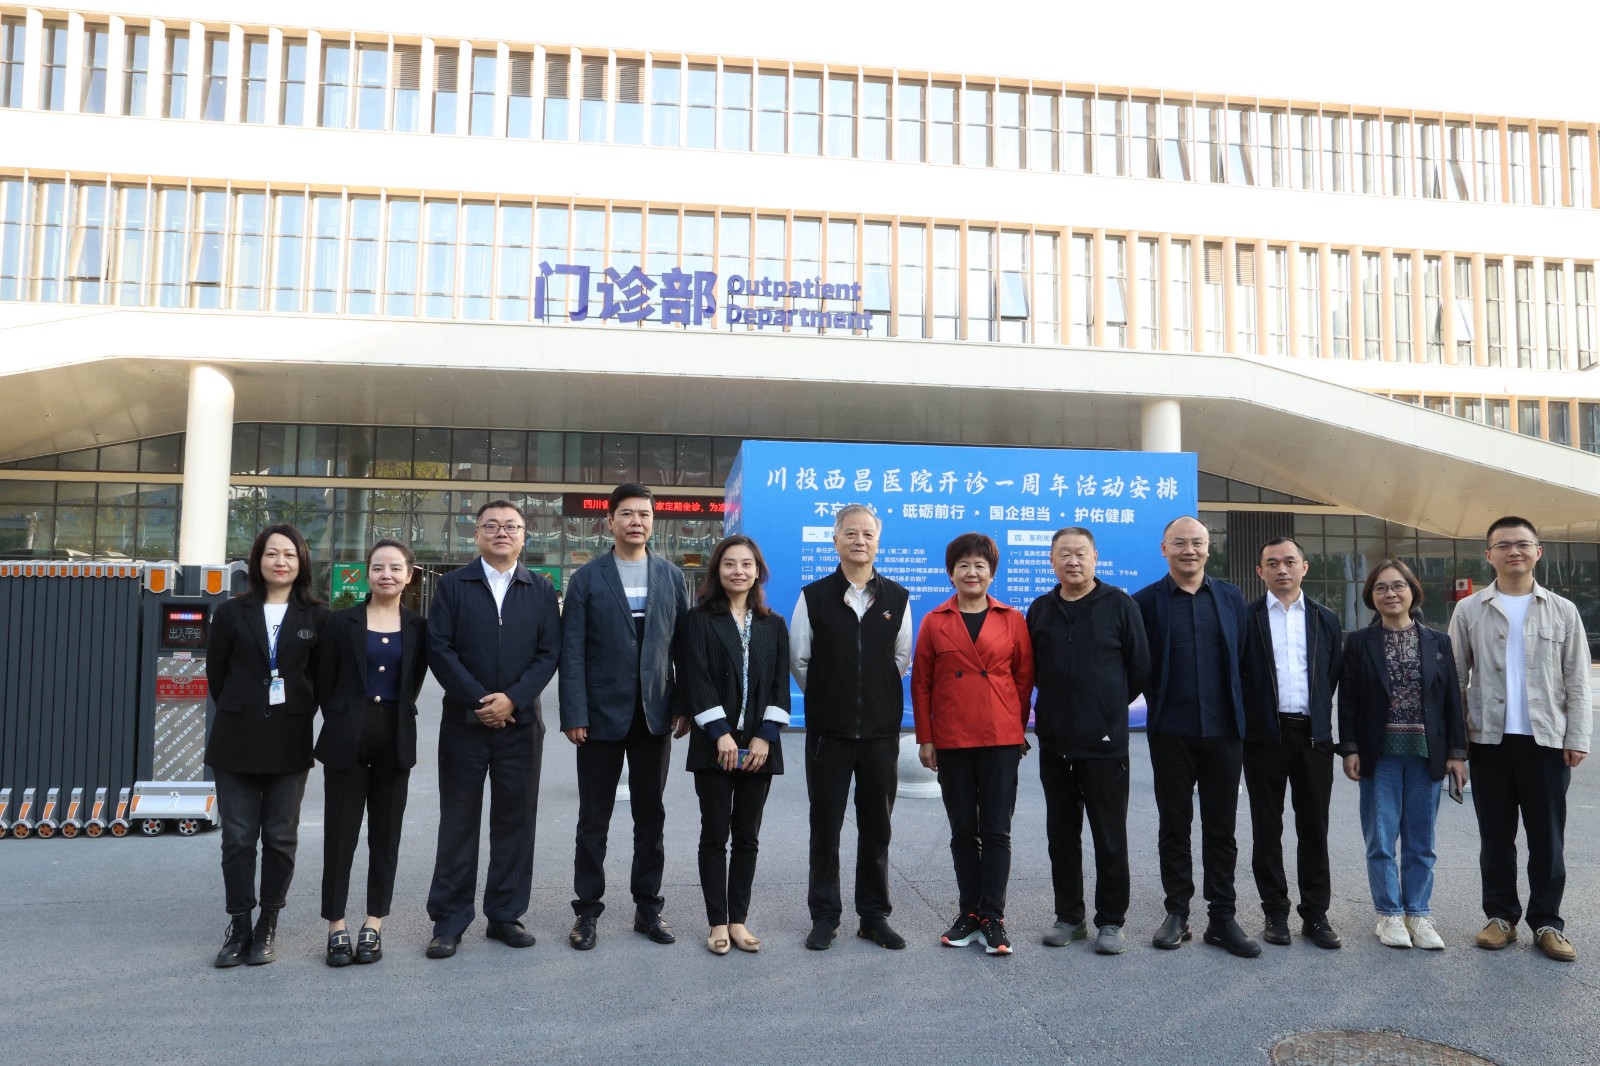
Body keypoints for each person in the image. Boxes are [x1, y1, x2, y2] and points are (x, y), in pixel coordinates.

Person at [1448, 516, 1592, 962]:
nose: (1514, 551)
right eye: (1504, 545)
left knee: (1547, 839)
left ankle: (1547, 923)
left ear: (1537, 552)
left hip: (1545, 742)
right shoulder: (1469, 610)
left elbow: (1577, 679)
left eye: (1523, 544)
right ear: (1488, 555)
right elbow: (1454, 679)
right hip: (1488, 741)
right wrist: (1457, 744)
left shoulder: (1562, 610)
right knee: (1495, 837)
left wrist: (1577, 736)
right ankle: (1501, 917)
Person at [424, 499, 562, 959]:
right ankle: (449, 920)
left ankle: (505, 914)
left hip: (521, 726)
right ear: (477, 534)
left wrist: (512, 700)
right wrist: (480, 700)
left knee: (515, 822)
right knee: (457, 822)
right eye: (491, 525)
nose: (501, 532)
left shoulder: (541, 589)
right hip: (464, 724)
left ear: (524, 536)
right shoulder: (452, 585)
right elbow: (439, 648)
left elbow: (549, 653)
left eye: (511, 526)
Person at [560, 484, 691, 951]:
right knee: (593, 819)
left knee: (650, 816)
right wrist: (574, 712)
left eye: (645, 514)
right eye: (627, 514)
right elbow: (572, 651)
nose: (637, 521)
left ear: (653, 521)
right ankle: (587, 911)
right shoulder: (587, 578)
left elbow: (684, 647)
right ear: (610, 521)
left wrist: (683, 704)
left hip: (654, 715)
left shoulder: (672, 576)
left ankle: (648, 908)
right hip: (599, 716)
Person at [1131, 516, 1259, 957]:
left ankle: (1222, 917)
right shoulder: (1145, 601)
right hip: (1171, 730)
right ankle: (1177, 913)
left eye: (1198, 543)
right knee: (1174, 826)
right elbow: (1137, 665)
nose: (1190, 550)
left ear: (1208, 548)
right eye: (1180, 542)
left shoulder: (1231, 596)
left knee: (1222, 828)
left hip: (1224, 731)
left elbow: (1245, 659)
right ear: (1163, 548)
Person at [204, 523, 330, 968]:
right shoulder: (231, 612)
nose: (281, 561)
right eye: (272, 553)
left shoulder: (318, 617)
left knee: (280, 836)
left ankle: (268, 923)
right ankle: (239, 923)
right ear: (257, 561)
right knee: (238, 838)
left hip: (289, 739)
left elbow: (322, 680)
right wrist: (246, 705)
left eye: (289, 554)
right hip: (235, 738)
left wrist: (292, 709)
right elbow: (217, 675)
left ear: (302, 562)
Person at [791, 504, 913, 951]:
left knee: (877, 827)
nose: (860, 541)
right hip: (830, 733)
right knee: (825, 826)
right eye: (851, 533)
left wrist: (872, 695)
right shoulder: (813, 596)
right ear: (835, 540)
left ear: (878, 542)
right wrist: (832, 697)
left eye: (868, 534)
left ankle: (873, 916)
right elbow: (800, 659)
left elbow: (900, 659)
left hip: (880, 733)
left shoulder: (897, 597)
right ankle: (824, 915)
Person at [1027, 526, 1149, 956]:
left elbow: (1139, 668)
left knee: (1109, 837)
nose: (1072, 561)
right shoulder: (1041, 609)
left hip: (1105, 745)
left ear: (1096, 557)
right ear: (1051, 560)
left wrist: (1107, 708)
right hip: (1055, 742)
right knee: (1061, 836)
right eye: (1064, 554)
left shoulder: (1119, 605)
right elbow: (1030, 669)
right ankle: (1069, 917)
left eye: (1080, 553)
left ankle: (1111, 921)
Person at [912, 533, 1034, 956]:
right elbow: (922, 683)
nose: (971, 572)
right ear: (951, 573)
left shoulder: (1012, 619)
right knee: (963, 830)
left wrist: (1015, 727)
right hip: (953, 737)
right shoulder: (934, 620)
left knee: (997, 830)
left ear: (992, 573)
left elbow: (1023, 679)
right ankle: (968, 912)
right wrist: (926, 738)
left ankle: (993, 917)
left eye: (980, 565)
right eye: (963, 565)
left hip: (1001, 737)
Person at [1337, 559, 1467, 950]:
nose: (1390, 593)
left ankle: (1419, 913)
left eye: (1398, 586)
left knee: (1421, 840)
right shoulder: (1359, 642)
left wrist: (1457, 752)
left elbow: (1451, 700)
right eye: (1381, 588)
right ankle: (1389, 914)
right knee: (1381, 838)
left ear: (1412, 591)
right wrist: (1349, 748)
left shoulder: (1438, 642)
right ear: (1371, 596)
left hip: (1427, 753)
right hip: (1380, 755)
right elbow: (1348, 701)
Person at [314, 538, 429, 967]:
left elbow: (413, 682)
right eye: (378, 567)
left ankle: (374, 923)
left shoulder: (419, 628)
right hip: (347, 740)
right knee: (339, 837)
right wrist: (344, 717)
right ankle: (336, 926)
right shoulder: (339, 622)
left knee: (386, 838)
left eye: (396, 568)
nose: (386, 575)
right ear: (367, 573)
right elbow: (324, 682)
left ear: (409, 576)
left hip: (394, 743)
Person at [678, 535, 791, 955]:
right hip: (714, 744)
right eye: (729, 564)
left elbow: (779, 684)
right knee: (714, 834)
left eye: (746, 564)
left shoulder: (773, 624)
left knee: (747, 836)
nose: (738, 571)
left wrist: (765, 735)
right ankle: (717, 922)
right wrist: (720, 731)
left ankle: (738, 919)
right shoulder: (697, 620)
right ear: (717, 570)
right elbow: (695, 677)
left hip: (759, 747)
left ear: (758, 571)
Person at [1239, 536, 1345, 950]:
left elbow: (1331, 674)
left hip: (1313, 737)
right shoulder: (1246, 619)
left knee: (1314, 827)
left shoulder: (1325, 619)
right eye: (1272, 563)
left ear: (1304, 567)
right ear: (1260, 571)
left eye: (1289, 561)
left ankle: (1315, 914)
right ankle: (1275, 911)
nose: (1281, 569)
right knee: (1267, 827)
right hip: (1264, 736)